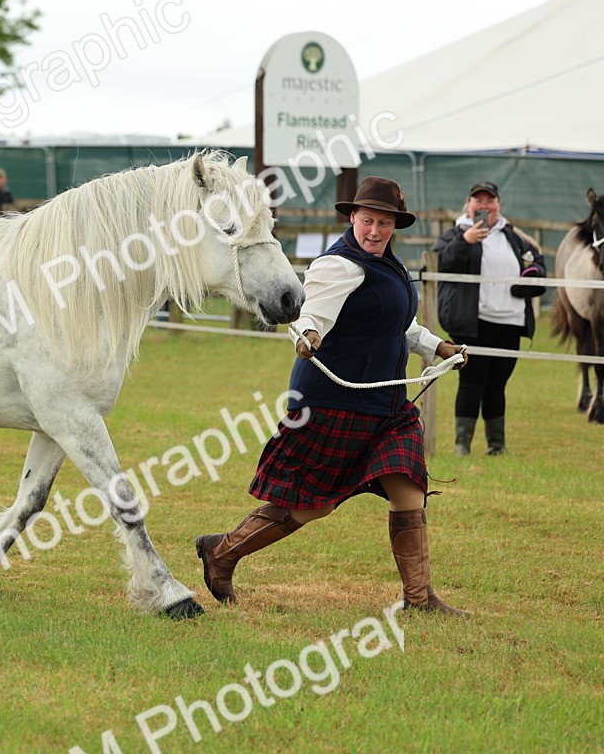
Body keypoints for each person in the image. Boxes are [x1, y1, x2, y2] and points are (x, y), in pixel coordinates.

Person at [194, 176, 470, 616]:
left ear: (394, 224)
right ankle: (222, 553)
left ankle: (419, 599)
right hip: (331, 405)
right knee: (309, 507)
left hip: (386, 408)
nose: (374, 230)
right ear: (353, 218)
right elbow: (312, 315)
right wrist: (308, 335)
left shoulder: (388, 265)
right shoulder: (337, 265)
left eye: (383, 222)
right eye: (367, 221)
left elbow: (396, 322)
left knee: (408, 491)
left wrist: (436, 347)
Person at [433, 181, 545, 456]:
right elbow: (439, 263)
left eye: (489, 200)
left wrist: (532, 275)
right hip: (473, 323)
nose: (484, 205)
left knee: (497, 384)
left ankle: (497, 445)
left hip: (511, 322)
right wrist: (465, 241)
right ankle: (463, 446)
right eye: (477, 200)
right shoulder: (455, 233)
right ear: (469, 205)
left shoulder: (514, 236)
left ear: (498, 205)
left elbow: (537, 262)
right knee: (472, 383)